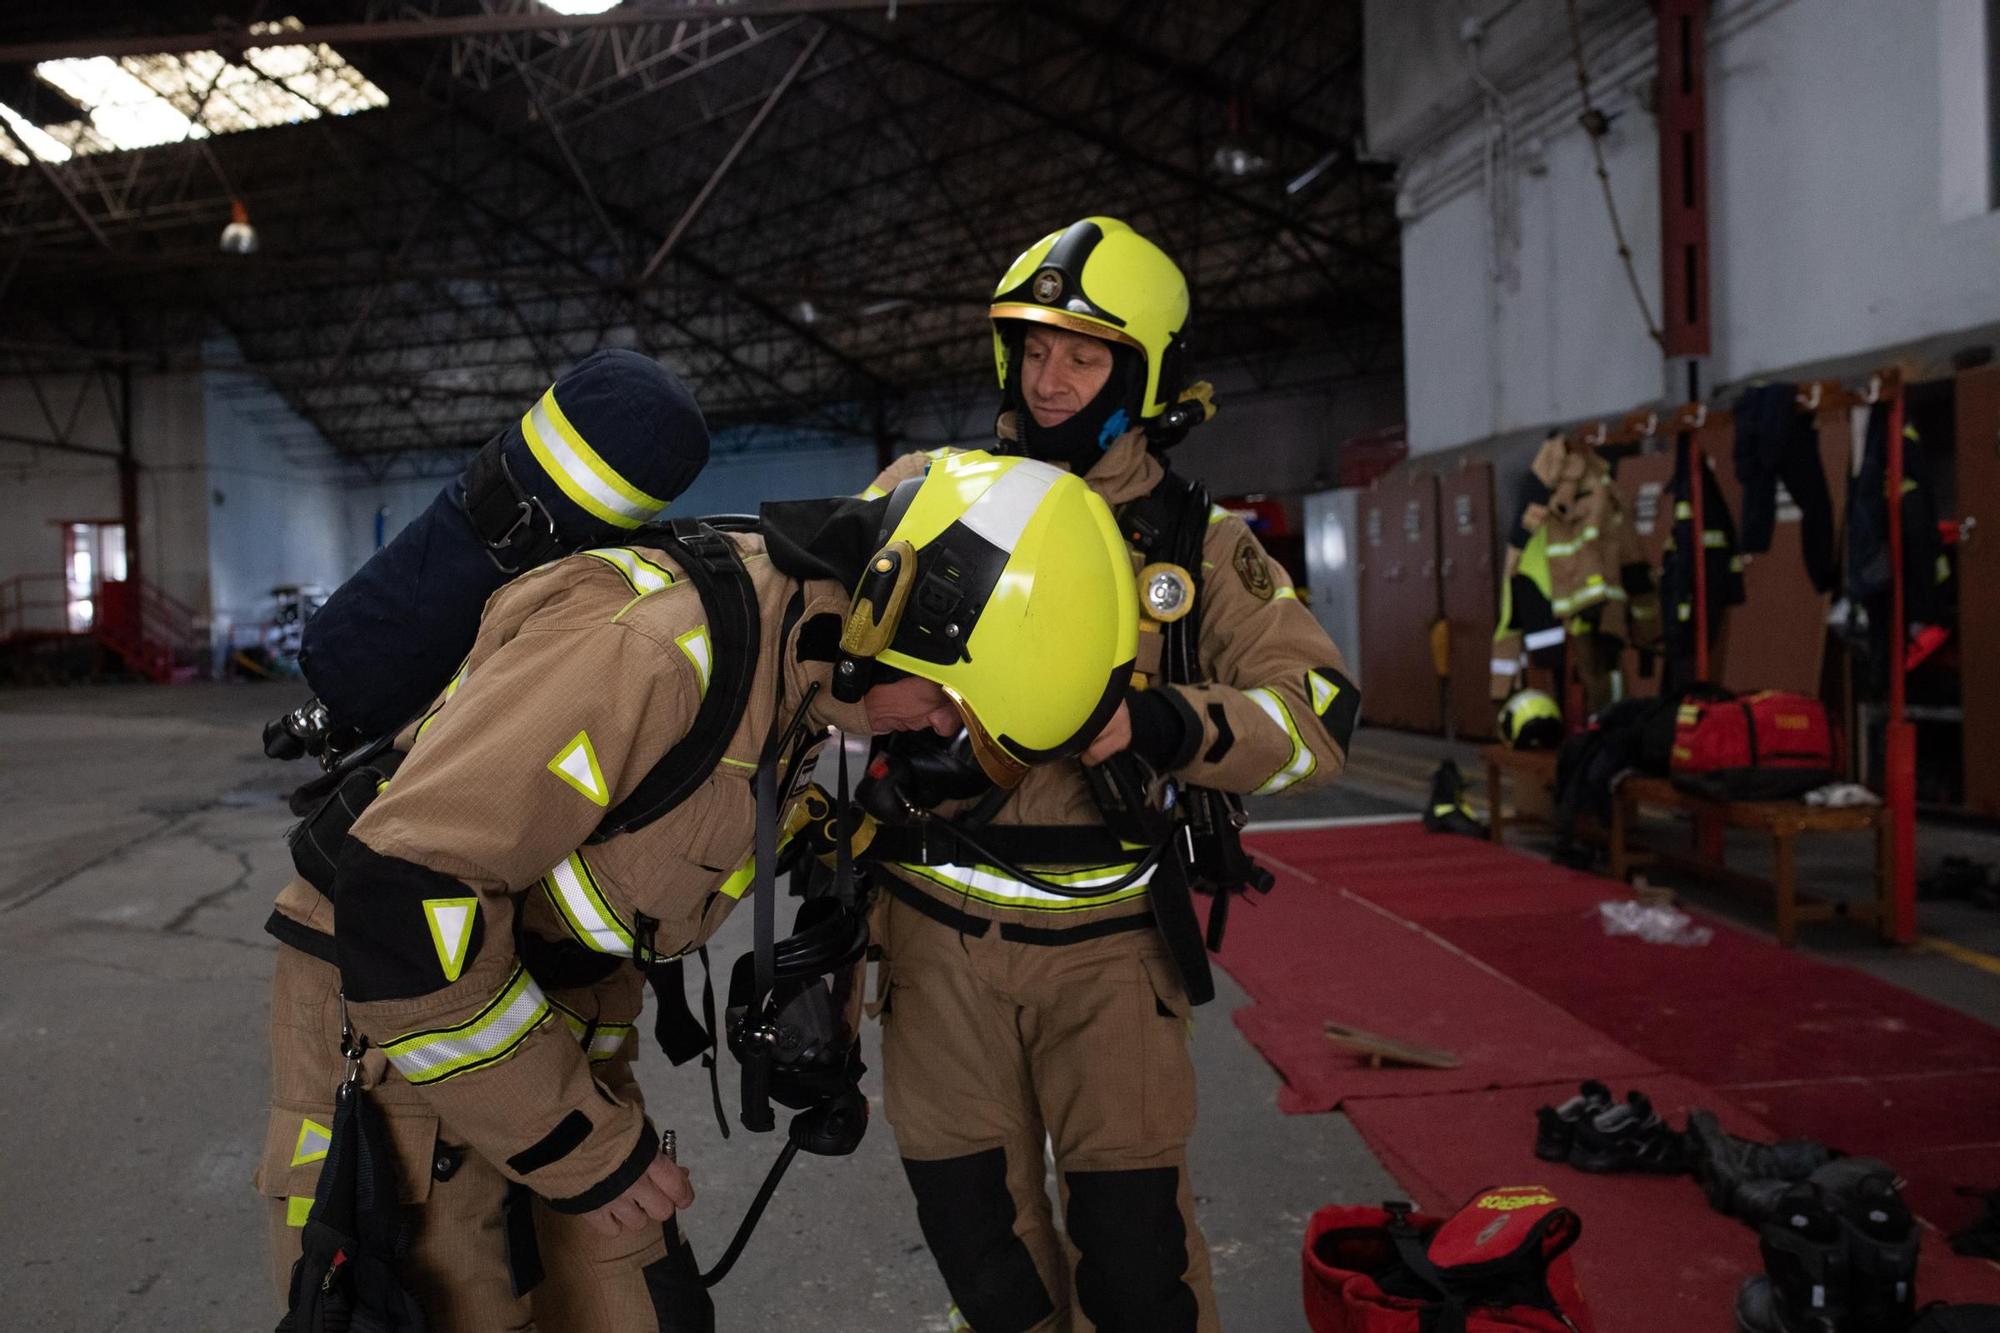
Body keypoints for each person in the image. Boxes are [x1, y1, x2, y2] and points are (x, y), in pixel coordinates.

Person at [252, 434, 1140, 1331]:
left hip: (566, 1015)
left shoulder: (805, 658)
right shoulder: (653, 651)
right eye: (949, 702)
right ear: (897, 607)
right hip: (402, 1028)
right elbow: (406, 904)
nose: (935, 728)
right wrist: (583, 1150)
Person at [859, 216, 1359, 1332]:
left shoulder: (1201, 544)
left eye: (1082, 354)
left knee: (1137, 1272)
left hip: (1109, 949)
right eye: (1032, 348)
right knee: (983, 1260)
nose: (1048, 379)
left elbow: (1320, 716)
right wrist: (867, 696)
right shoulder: (921, 493)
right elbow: (800, 656)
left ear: (1143, 372)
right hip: (935, 944)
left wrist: (1162, 722)